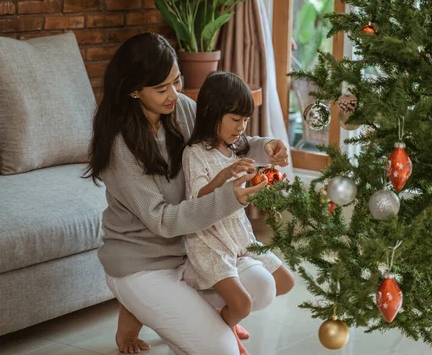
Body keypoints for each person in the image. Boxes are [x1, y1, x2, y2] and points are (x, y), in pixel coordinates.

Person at [83, 32, 290, 355]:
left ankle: (157, 312)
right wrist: (229, 197)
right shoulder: (119, 145)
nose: (173, 94)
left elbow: (223, 138)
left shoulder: (179, 108)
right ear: (134, 90)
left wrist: (267, 148)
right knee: (223, 351)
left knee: (263, 287)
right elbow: (162, 220)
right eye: (161, 88)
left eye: (176, 82)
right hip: (143, 264)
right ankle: (137, 302)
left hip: (189, 252)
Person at [182, 71, 295, 331]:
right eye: (235, 119)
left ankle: (224, 310)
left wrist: (272, 156)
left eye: (245, 119)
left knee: (286, 282)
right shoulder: (194, 153)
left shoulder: (234, 145)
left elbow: (254, 148)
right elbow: (198, 199)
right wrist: (224, 176)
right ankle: (223, 328)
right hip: (211, 242)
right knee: (242, 306)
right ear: (211, 112)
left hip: (239, 237)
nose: (241, 127)